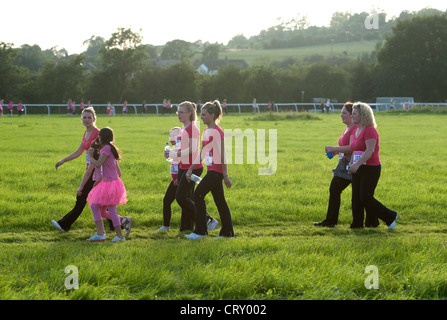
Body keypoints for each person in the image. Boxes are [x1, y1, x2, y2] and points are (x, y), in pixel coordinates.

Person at [316, 102, 377, 227]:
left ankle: (331, 221)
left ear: (352, 115)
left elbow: (351, 148)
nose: (341, 115)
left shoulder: (355, 128)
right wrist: (335, 152)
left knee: (344, 191)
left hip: (351, 164)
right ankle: (371, 221)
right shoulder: (348, 127)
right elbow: (347, 147)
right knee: (362, 195)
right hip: (346, 163)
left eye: (345, 113)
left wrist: (334, 148)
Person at [185, 100, 234, 239]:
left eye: (204, 114)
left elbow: (223, 154)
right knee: (220, 201)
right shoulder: (206, 131)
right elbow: (202, 153)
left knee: (198, 195)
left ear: (212, 115)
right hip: (211, 170)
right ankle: (228, 233)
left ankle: (200, 231)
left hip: (217, 171)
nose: (201, 117)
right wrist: (190, 169)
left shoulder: (218, 132)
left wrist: (225, 175)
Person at [169, 101, 218, 232]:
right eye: (177, 112)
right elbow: (181, 148)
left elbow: (193, 149)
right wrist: (171, 153)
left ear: (189, 113)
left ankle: (207, 219)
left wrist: (176, 153)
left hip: (192, 167)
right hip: (182, 166)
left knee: (181, 197)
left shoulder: (193, 129)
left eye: (181, 112)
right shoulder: (183, 128)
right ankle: (186, 227)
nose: (178, 114)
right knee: (187, 197)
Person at [347, 102, 398, 229]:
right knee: (356, 198)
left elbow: (369, 150)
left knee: (365, 197)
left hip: (371, 168)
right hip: (358, 167)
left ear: (363, 115)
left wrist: (356, 165)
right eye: (352, 113)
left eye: (354, 113)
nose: (352, 115)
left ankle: (390, 216)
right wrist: (351, 165)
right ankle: (357, 224)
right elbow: (355, 149)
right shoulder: (356, 130)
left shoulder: (370, 130)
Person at [51, 107, 100, 232]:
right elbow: (79, 151)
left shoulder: (97, 133)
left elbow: (99, 154)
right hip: (91, 170)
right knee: (99, 200)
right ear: (81, 119)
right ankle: (119, 222)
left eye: (89, 117)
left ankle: (64, 224)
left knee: (81, 196)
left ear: (94, 119)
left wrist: (90, 171)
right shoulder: (86, 133)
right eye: (84, 117)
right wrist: (63, 160)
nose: (87, 120)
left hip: (96, 171)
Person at [78, 137, 131, 234]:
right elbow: (118, 173)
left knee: (103, 208)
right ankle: (123, 221)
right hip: (109, 185)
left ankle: (109, 234)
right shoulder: (110, 155)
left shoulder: (100, 157)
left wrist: (100, 179)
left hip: (105, 186)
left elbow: (90, 171)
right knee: (101, 210)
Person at [86, 127, 128, 242]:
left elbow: (98, 164)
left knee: (111, 210)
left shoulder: (106, 149)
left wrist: (90, 157)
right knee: (95, 206)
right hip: (110, 182)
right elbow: (118, 172)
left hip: (110, 184)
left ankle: (119, 236)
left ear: (101, 137)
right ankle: (101, 233)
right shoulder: (111, 149)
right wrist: (101, 179)